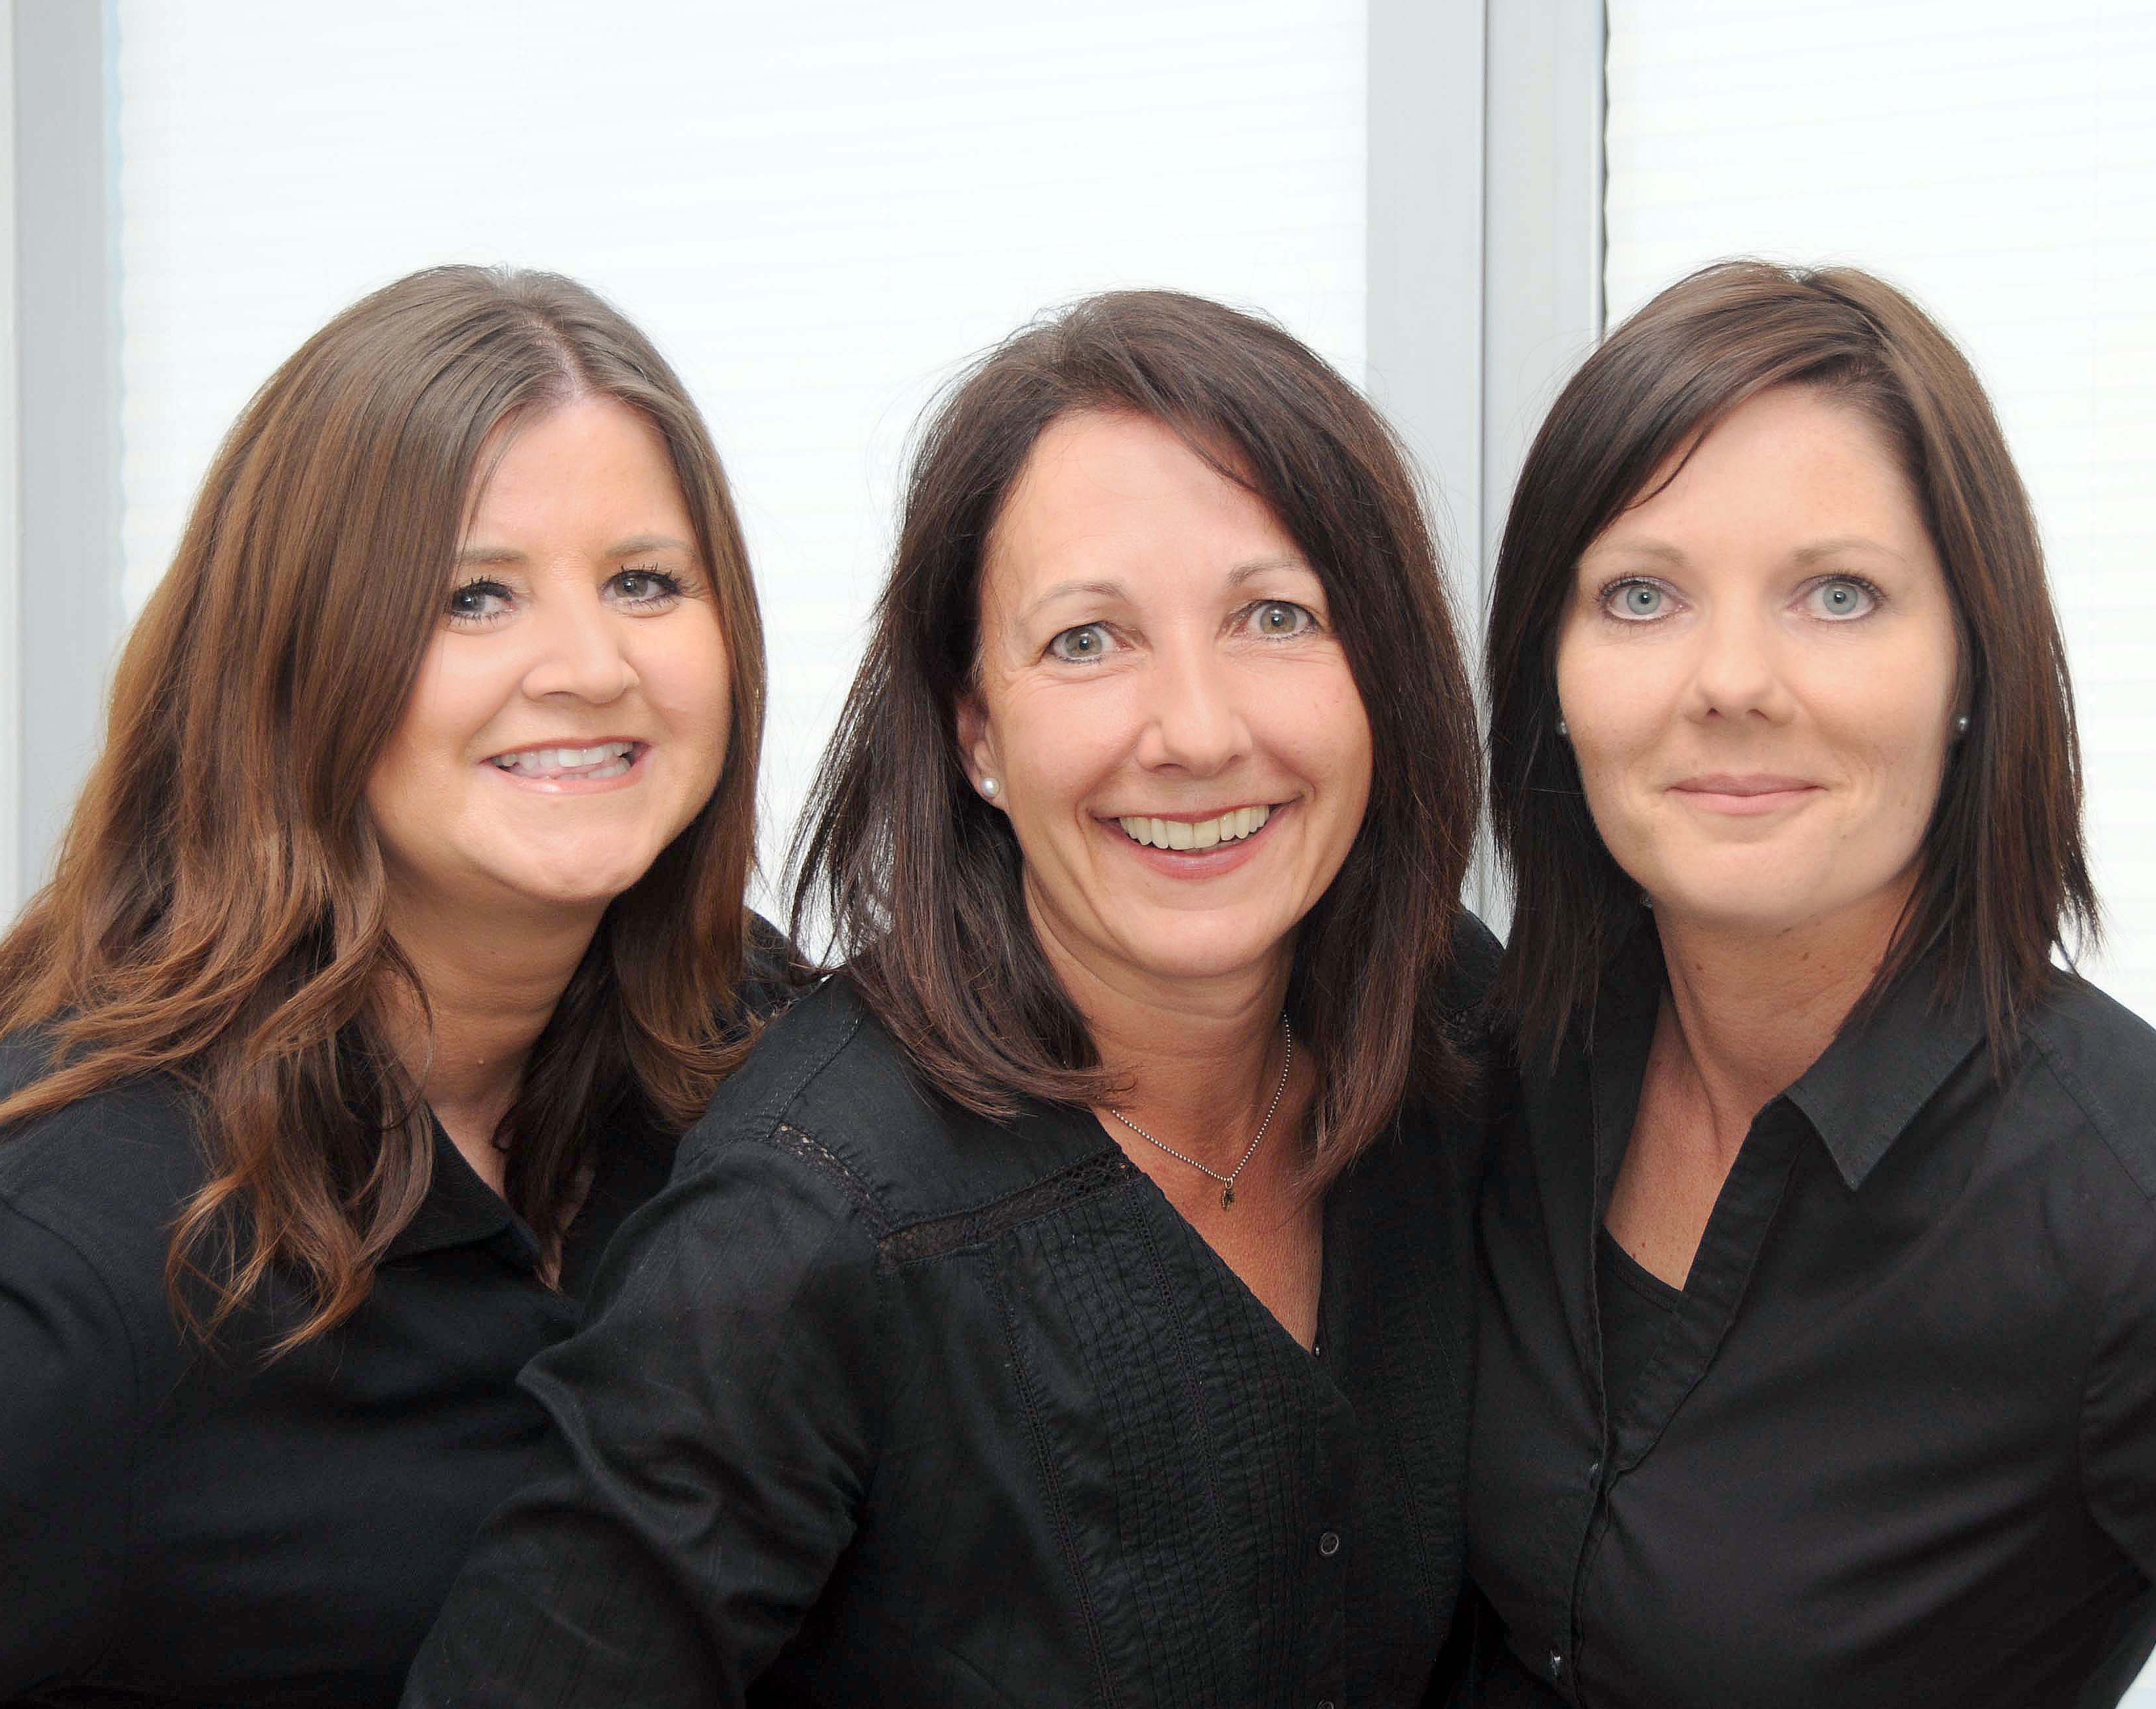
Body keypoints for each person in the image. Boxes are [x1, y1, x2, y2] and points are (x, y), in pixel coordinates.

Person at [405, 288, 1495, 1705]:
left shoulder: (1453, 1023)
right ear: (977, 727)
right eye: (1087, 640)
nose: (1197, 731)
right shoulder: (802, 1224)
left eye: (1274, 616)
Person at [1468, 260, 2156, 1707]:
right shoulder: (1508, 1054)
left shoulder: (2138, 1221)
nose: (1732, 680)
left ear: (1971, 667)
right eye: (1642, 594)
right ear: (1550, 670)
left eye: (1838, 594)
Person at [0, 265, 782, 1706]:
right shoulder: (62, 1257)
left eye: (644, 582)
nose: (591, 667)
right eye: (475, 596)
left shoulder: (757, 1065)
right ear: (290, 662)